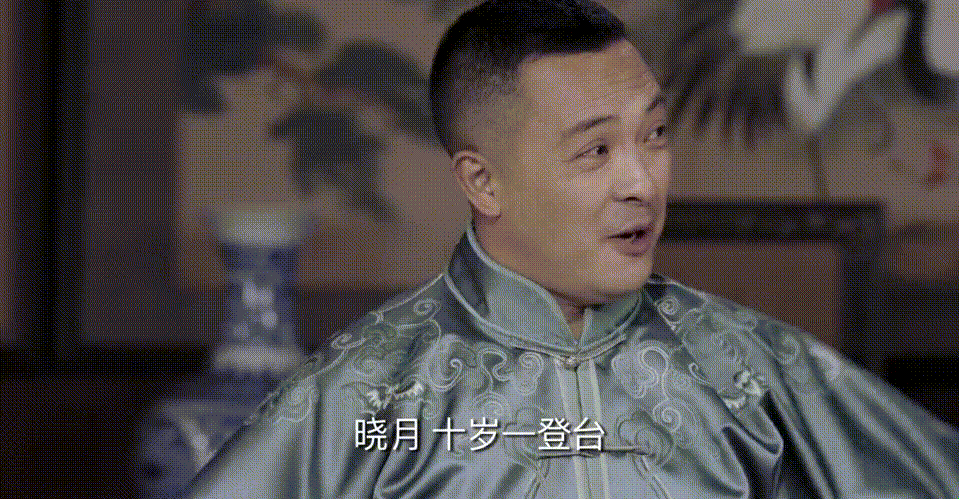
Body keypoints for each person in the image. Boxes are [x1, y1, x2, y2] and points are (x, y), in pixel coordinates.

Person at [183, 0, 959, 497]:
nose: (642, 183)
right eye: (595, 151)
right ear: (483, 181)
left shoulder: (755, 371)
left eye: (654, 135)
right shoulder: (361, 397)